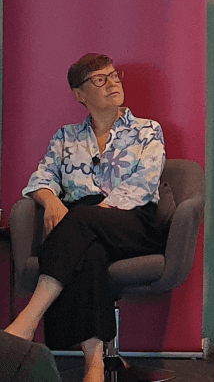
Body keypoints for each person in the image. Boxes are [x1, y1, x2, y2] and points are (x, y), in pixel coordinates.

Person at [5, 54, 167, 382]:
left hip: (135, 223)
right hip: (83, 229)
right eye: (99, 79)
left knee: (82, 221)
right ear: (81, 94)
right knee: (89, 250)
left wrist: (84, 218)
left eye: (114, 76)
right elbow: (40, 180)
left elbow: (143, 184)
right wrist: (50, 203)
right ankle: (95, 364)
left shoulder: (147, 130)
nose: (112, 83)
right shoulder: (66, 138)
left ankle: (26, 321)